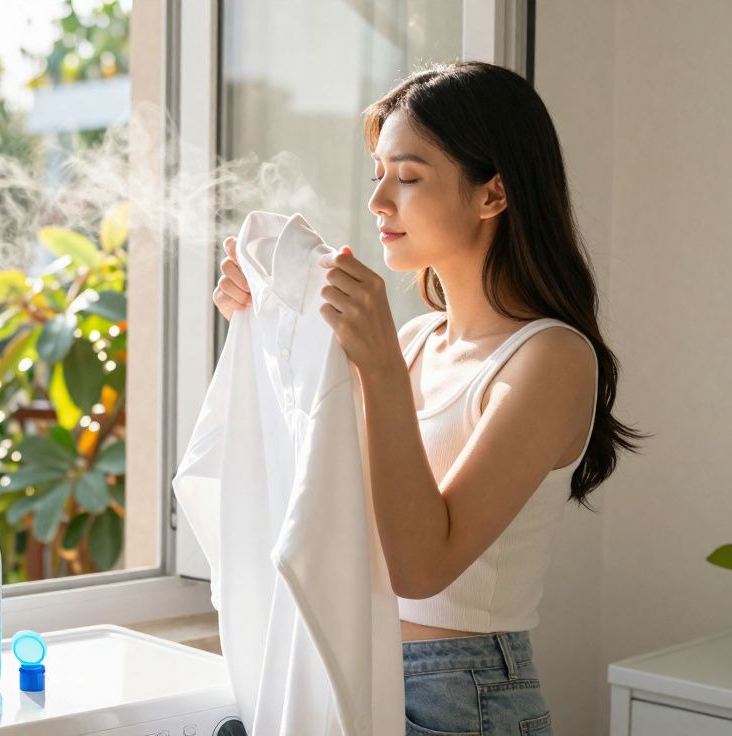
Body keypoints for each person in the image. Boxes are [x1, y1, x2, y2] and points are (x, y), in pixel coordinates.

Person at [213, 62, 643, 734]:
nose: (379, 202)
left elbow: (420, 566)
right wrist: (263, 320)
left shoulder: (550, 359)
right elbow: (312, 476)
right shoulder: (413, 342)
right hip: (357, 664)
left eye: (408, 178)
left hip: (462, 695)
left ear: (493, 194)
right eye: (379, 173)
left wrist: (379, 367)